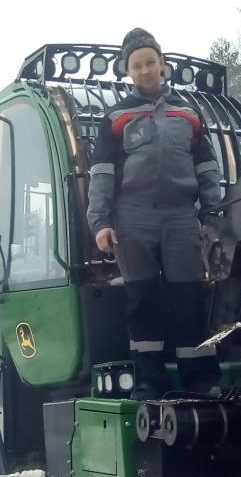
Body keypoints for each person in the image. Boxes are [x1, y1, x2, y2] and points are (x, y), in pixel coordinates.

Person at [87, 28, 223, 400]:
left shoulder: (188, 112)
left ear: (162, 64)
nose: (145, 70)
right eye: (136, 65)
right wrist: (100, 223)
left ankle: (200, 379)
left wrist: (211, 214)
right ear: (127, 71)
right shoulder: (115, 117)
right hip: (133, 219)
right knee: (142, 300)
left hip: (181, 217)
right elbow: (101, 172)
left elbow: (207, 167)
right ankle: (149, 381)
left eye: (150, 62)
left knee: (188, 298)